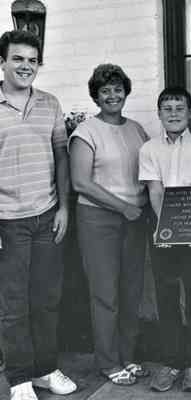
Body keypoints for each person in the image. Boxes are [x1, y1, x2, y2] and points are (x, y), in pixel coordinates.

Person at [0, 30, 77, 400]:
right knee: (13, 306)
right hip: (7, 221)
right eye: (18, 58)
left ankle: (45, 370)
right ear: (2, 62)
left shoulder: (50, 103)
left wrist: (63, 206)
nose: (26, 66)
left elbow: (61, 156)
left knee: (47, 299)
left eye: (32, 60)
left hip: (47, 215)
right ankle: (18, 379)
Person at [69, 64, 150, 385]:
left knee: (132, 291)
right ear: (96, 96)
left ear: (125, 92)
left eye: (118, 89)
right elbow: (80, 182)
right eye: (105, 91)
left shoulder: (137, 130)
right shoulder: (86, 132)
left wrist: (142, 207)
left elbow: (148, 172)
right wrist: (123, 207)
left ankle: (128, 356)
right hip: (98, 220)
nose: (112, 95)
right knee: (105, 294)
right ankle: (108, 361)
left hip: (135, 218)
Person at [139, 87, 191, 393]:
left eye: (179, 108)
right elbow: (155, 190)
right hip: (162, 230)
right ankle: (172, 362)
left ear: (190, 112)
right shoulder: (149, 149)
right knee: (166, 296)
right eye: (167, 108)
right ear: (159, 114)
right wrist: (164, 228)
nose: (173, 113)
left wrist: (189, 229)